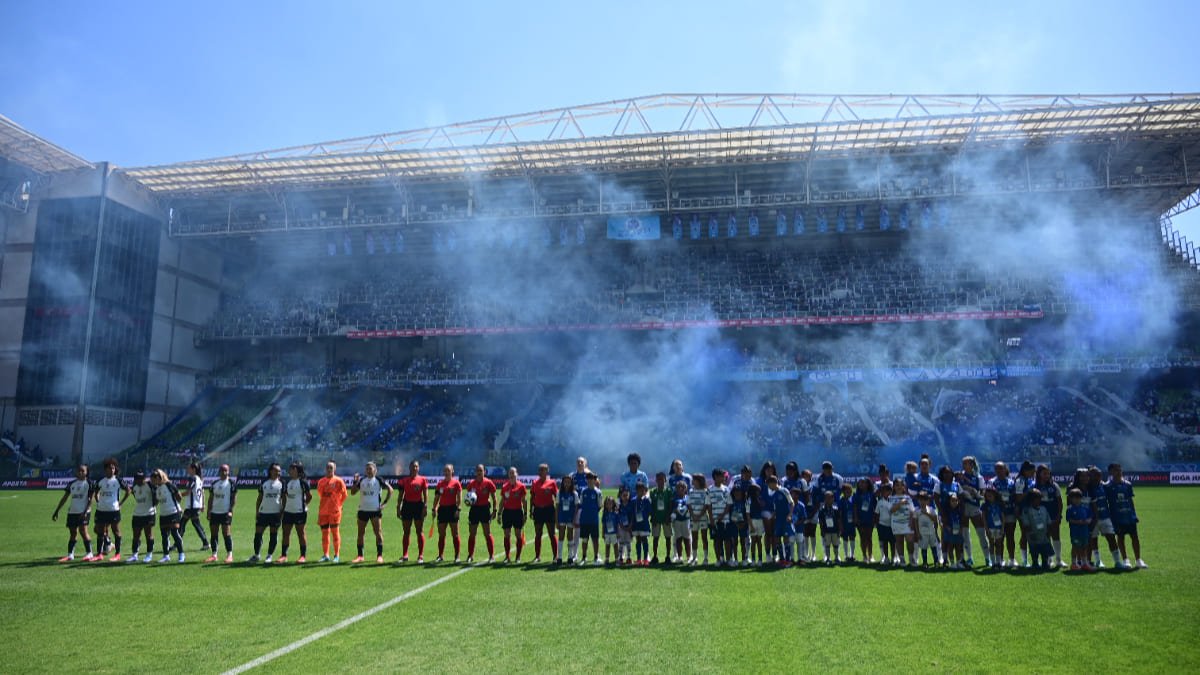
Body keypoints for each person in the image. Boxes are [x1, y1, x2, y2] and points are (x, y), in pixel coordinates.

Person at [1106, 463, 1146, 569]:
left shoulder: (1128, 484)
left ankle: (1138, 560)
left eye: (1119, 470)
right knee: (1120, 538)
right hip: (1117, 517)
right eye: (1115, 470)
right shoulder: (1108, 486)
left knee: (1135, 537)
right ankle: (1125, 560)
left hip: (1129, 516)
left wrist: (1134, 514)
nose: (1118, 472)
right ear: (1111, 472)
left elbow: (1130, 500)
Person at [351, 462, 392, 563]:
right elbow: (352, 492)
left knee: (378, 532)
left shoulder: (379, 480)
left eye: (371, 469)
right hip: (363, 510)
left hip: (375, 511)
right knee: (360, 533)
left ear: (375, 470)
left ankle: (379, 556)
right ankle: (360, 556)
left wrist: (384, 503)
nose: (369, 471)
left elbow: (390, 490)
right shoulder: (361, 480)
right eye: (367, 469)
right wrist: (355, 482)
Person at [52, 465, 95, 562]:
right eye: (79, 470)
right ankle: (70, 555)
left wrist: (85, 511)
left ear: (87, 472)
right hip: (72, 512)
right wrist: (57, 510)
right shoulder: (72, 483)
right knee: (72, 533)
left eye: (83, 471)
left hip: (84, 511)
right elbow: (65, 498)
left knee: (83, 531)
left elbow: (91, 499)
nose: (80, 472)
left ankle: (89, 553)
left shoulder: (89, 483)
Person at [93, 458, 129, 562]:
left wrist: (120, 503)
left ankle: (117, 554)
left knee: (116, 531)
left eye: (113, 468)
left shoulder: (118, 480)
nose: (112, 470)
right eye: (110, 468)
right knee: (100, 531)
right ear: (105, 470)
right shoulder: (100, 481)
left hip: (113, 510)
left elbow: (128, 491)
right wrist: (98, 501)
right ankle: (99, 554)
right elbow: (96, 492)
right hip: (101, 510)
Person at [1087, 466, 1122, 569]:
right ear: (1090, 476)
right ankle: (1098, 561)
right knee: (1093, 540)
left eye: (1099, 474)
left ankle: (1117, 562)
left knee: (1111, 538)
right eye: (1095, 474)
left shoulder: (1105, 486)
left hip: (1105, 517)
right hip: (1092, 519)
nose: (1098, 476)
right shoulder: (1088, 488)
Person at [249, 463, 284, 563]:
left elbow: (284, 499)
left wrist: (281, 513)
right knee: (258, 534)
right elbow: (259, 499)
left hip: (275, 513)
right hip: (263, 512)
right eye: (276, 470)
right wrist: (257, 511)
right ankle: (256, 555)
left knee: (273, 534)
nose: (278, 472)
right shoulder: (264, 483)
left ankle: (269, 555)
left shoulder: (282, 484)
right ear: (271, 471)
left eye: (279, 471)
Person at [395, 460, 428, 563]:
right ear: (409, 468)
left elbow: (425, 495)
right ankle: (405, 555)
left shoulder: (423, 479)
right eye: (413, 466)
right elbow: (400, 495)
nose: (415, 468)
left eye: (416, 466)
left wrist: (425, 506)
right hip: (407, 506)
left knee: (419, 531)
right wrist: (398, 507)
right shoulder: (404, 480)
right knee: (406, 531)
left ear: (418, 468)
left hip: (418, 506)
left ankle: (420, 556)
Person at [279, 462, 312, 563]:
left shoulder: (303, 482)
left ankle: (303, 556)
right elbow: (285, 497)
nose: (290, 471)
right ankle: (284, 555)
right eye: (290, 469)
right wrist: (283, 509)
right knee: (285, 533)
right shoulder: (287, 482)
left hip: (299, 512)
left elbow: (309, 496)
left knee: (301, 534)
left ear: (297, 470)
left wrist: (304, 505)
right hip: (288, 512)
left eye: (292, 469)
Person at [958, 456, 988, 567]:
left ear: (972, 465)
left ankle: (987, 558)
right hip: (963, 507)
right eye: (963, 463)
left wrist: (976, 494)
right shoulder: (959, 476)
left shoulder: (978, 477)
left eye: (967, 463)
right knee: (965, 534)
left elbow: (982, 492)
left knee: (981, 533)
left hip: (975, 507)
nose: (965, 465)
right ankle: (970, 558)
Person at [465, 464, 498, 563]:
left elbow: (494, 498)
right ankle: (470, 556)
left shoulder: (489, 483)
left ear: (484, 472)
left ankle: (491, 556)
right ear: (475, 472)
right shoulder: (471, 484)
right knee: (472, 534)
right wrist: (468, 502)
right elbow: (468, 497)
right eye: (477, 471)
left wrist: (495, 510)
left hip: (484, 509)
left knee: (487, 533)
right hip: (474, 510)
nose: (479, 472)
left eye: (481, 470)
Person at [204, 464, 237, 563]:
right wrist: (209, 510)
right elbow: (211, 498)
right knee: (214, 534)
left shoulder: (231, 483)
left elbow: (234, 499)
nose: (223, 472)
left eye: (225, 470)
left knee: (226, 533)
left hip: (225, 512)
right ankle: (214, 555)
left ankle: (230, 555)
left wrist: (230, 510)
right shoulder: (214, 483)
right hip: (214, 512)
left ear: (228, 471)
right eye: (222, 470)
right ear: (219, 471)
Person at [151, 469, 186, 563]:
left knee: (174, 533)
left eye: (154, 479)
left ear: (159, 477)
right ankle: (166, 556)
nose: (153, 482)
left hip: (174, 512)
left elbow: (179, 496)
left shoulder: (169, 485)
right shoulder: (157, 489)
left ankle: (181, 554)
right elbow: (156, 502)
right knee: (164, 535)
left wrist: (177, 507)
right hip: (163, 514)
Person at [1034, 464, 1065, 568]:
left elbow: (1059, 502)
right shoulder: (1034, 486)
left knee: (1056, 536)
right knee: (1045, 538)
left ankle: (1059, 559)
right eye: (1044, 473)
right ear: (1039, 474)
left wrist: (1059, 515)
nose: (1047, 475)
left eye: (1048, 473)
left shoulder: (1054, 485)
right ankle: (1048, 558)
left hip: (1053, 515)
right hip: (1040, 517)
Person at [317, 461, 347, 563]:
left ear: (334, 469)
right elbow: (320, 494)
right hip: (323, 511)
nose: (329, 469)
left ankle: (336, 555)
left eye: (331, 467)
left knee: (335, 532)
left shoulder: (339, 481)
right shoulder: (321, 481)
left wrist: (339, 505)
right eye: (327, 467)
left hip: (334, 511)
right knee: (324, 533)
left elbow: (344, 495)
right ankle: (326, 555)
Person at [529, 463, 558, 564]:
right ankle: (537, 556)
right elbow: (532, 497)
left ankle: (555, 556)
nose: (541, 471)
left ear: (547, 471)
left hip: (549, 510)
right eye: (540, 470)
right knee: (538, 534)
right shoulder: (534, 483)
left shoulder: (552, 483)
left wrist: (557, 511)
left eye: (543, 470)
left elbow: (557, 497)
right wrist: (530, 510)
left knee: (551, 533)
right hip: (538, 510)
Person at [433, 464, 462, 563]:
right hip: (442, 510)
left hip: (452, 510)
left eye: (448, 470)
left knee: (455, 534)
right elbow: (437, 498)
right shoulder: (440, 484)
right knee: (441, 534)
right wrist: (434, 508)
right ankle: (440, 556)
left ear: (452, 471)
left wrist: (458, 508)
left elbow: (459, 498)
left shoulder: (456, 483)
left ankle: (457, 556)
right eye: (445, 471)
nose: (446, 472)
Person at [990, 461, 1017, 567]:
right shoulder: (992, 482)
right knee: (999, 538)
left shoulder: (1011, 482)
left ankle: (1012, 559)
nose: (999, 470)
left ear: (1006, 469)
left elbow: (1015, 497)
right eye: (997, 468)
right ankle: (1000, 559)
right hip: (997, 514)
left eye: (1001, 468)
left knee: (1010, 536)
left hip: (1010, 513)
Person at [178, 462, 210, 552]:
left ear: (194, 469)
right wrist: (203, 504)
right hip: (195, 506)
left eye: (189, 468)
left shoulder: (192, 479)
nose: (187, 470)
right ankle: (205, 543)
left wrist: (177, 495)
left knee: (185, 523)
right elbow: (202, 493)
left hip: (192, 506)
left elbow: (188, 492)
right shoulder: (199, 479)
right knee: (192, 523)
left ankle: (177, 543)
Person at [1019, 489, 1053, 572]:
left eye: (1040, 498)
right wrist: (1030, 533)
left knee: (1045, 549)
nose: (1039, 500)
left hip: (1044, 534)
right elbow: (1026, 523)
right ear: (1031, 500)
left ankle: (1045, 563)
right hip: (1033, 535)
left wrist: (1048, 531)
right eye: (1037, 498)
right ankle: (1035, 563)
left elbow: (1048, 521)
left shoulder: (1044, 508)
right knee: (1034, 550)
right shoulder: (1027, 511)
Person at [498, 467, 527, 563]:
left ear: (517, 474)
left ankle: (518, 557)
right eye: (510, 473)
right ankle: (507, 557)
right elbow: (502, 501)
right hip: (507, 512)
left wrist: (525, 513)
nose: (511, 475)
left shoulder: (521, 486)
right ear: (508, 475)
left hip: (517, 512)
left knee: (518, 534)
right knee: (507, 534)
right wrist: (499, 513)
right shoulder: (504, 486)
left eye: (513, 473)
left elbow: (524, 501)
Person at [127, 470, 156, 563]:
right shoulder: (134, 487)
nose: (139, 480)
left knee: (149, 535)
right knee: (136, 535)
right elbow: (135, 497)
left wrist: (153, 506)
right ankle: (134, 554)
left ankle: (149, 554)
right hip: (137, 514)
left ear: (144, 478)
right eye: (137, 479)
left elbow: (156, 497)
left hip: (149, 514)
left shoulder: (149, 485)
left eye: (141, 478)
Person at [706, 468, 733, 567]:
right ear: (716, 477)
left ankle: (729, 559)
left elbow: (728, 504)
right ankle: (719, 559)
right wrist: (711, 518)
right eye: (721, 476)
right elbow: (708, 505)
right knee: (717, 540)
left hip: (725, 520)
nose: (723, 478)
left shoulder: (726, 489)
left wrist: (722, 515)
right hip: (714, 520)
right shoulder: (710, 490)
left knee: (727, 540)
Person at [1013, 460, 1037, 567]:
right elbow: (1018, 498)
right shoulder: (1020, 481)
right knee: (1025, 534)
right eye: (1032, 471)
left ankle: (1034, 560)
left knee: (1032, 534)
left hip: (1032, 510)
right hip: (1024, 511)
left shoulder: (1029, 479)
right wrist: (1030, 491)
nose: (1033, 473)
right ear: (1025, 471)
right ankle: (1024, 560)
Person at [889, 478, 915, 567]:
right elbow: (891, 510)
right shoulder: (891, 498)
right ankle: (902, 559)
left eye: (901, 485)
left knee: (910, 541)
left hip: (907, 524)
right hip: (896, 523)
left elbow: (912, 511)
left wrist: (911, 522)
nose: (899, 487)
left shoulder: (908, 498)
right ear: (894, 487)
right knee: (899, 541)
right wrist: (900, 503)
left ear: (904, 487)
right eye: (897, 485)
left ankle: (911, 558)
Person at [578, 472, 603, 565]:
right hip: (584, 519)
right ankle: (584, 558)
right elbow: (581, 503)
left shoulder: (598, 492)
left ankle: (596, 557)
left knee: (595, 539)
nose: (590, 480)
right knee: (584, 539)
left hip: (594, 520)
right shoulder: (583, 491)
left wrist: (593, 512)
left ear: (594, 480)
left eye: (592, 478)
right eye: (588, 478)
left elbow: (600, 505)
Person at [1065, 488, 1093, 571]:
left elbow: (1090, 517)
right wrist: (1078, 522)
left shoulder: (1085, 508)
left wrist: (1088, 521)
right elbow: (1069, 519)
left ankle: (1084, 563)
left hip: (1084, 531)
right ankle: (1074, 563)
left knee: (1084, 547)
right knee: (1075, 547)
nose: (1076, 500)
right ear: (1070, 499)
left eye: (1078, 498)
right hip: (1075, 532)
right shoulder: (1070, 509)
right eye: (1074, 498)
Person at [649, 472, 673, 564]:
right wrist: (653, 517)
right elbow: (651, 506)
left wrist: (668, 516)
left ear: (665, 480)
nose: (660, 481)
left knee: (668, 537)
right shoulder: (653, 492)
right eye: (658, 479)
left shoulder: (668, 491)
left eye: (662, 479)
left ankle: (668, 556)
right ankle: (655, 556)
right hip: (656, 518)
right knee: (655, 537)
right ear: (656, 480)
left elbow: (670, 505)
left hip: (666, 518)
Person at [686, 473, 709, 565]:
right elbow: (689, 504)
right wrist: (693, 515)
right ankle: (694, 558)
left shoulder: (706, 491)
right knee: (694, 538)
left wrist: (699, 515)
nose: (692, 481)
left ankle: (706, 558)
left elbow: (706, 505)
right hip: (693, 518)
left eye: (694, 480)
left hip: (703, 518)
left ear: (699, 481)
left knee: (704, 537)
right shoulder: (691, 491)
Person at [852, 478, 876, 563]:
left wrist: (874, 518)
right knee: (862, 537)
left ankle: (870, 555)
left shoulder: (871, 494)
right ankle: (864, 556)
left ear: (868, 484)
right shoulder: (856, 494)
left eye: (863, 483)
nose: (861, 484)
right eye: (860, 483)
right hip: (860, 519)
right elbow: (854, 506)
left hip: (869, 518)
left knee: (869, 537)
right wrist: (855, 517)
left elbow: (874, 507)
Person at [556, 474, 578, 565]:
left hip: (570, 518)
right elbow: (557, 507)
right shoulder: (559, 493)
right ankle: (559, 557)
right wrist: (556, 520)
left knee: (570, 536)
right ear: (563, 482)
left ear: (571, 483)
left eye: (569, 482)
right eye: (565, 481)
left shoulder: (574, 493)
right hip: (562, 517)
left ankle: (570, 557)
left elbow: (576, 507)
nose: (567, 483)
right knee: (561, 536)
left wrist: (574, 518)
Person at [914, 492, 940, 567]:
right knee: (924, 548)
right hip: (922, 533)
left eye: (924, 500)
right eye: (920, 500)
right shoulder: (917, 511)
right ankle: (925, 563)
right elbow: (915, 523)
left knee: (933, 547)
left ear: (927, 501)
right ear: (918, 501)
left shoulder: (931, 510)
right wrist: (917, 533)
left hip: (931, 532)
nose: (922, 502)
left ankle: (936, 561)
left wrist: (926, 513)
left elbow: (935, 520)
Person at [982, 487, 1006, 570]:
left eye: (990, 495)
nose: (989, 497)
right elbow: (984, 518)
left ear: (995, 495)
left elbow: (1003, 517)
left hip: (999, 528)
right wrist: (986, 529)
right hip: (990, 528)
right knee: (991, 544)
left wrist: (1003, 528)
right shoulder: (985, 506)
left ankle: (999, 562)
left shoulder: (1000, 504)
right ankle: (993, 563)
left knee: (999, 544)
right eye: (987, 496)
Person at [630, 481, 652, 566]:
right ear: (636, 490)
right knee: (638, 540)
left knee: (644, 540)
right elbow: (631, 513)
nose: (640, 492)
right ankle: (639, 559)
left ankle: (646, 559)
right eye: (639, 490)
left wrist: (644, 516)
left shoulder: (647, 500)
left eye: (642, 490)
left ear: (644, 491)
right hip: (636, 524)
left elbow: (650, 511)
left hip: (644, 524)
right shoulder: (633, 501)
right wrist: (631, 524)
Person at [670, 479, 692, 565]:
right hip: (677, 521)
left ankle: (689, 556)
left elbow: (690, 508)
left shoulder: (688, 498)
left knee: (687, 539)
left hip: (686, 521)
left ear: (685, 489)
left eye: (682, 488)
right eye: (678, 488)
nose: (680, 489)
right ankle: (679, 556)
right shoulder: (674, 499)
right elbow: (671, 509)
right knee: (678, 539)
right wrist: (673, 513)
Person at [943, 493, 965, 569]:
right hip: (950, 532)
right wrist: (949, 529)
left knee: (958, 547)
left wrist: (961, 529)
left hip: (958, 531)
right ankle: (952, 563)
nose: (954, 502)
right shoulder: (946, 510)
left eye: (956, 500)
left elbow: (962, 521)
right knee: (950, 547)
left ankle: (958, 563)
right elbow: (944, 522)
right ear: (949, 501)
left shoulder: (960, 510)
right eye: (952, 500)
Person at [874, 481, 894, 566]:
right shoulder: (879, 502)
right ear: (881, 493)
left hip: (892, 525)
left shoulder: (893, 501)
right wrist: (877, 524)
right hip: (882, 525)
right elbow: (877, 514)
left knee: (893, 542)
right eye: (883, 491)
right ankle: (886, 557)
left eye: (887, 491)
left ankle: (894, 558)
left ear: (890, 492)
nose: (886, 493)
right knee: (884, 542)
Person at [729, 485, 750, 566]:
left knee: (743, 542)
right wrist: (736, 523)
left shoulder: (745, 502)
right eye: (735, 491)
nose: (737, 493)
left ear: (742, 493)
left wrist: (744, 523)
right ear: (733, 493)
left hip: (743, 524)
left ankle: (744, 559)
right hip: (733, 524)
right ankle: (735, 559)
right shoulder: (731, 503)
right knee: (734, 542)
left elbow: (747, 514)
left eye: (739, 491)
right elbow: (729, 513)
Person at [787, 486, 807, 566]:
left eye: (795, 494)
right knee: (791, 543)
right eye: (792, 494)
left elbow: (804, 517)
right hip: (790, 529)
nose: (793, 496)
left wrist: (797, 523)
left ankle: (800, 559)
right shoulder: (788, 505)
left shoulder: (801, 505)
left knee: (799, 543)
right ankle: (791, 559)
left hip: (799, 528)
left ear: (798, 495)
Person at [837, 483, 856, 562]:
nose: (850, 493)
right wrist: (840, 524)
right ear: (843, 492)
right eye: (848, 491)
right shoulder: (841, 501)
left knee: (852, 537)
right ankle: (846, 555)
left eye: (850, 491)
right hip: (844, 523)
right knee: (845, 538)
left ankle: (852, 555)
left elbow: (855, 510)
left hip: (851, 523)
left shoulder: (852, 499)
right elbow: (840, 513)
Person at [747, 483, 765, 566]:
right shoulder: (749, 500)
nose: (759, 492)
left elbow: (763, 506)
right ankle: (753, 559)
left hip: (760, 521)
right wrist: (751, 525)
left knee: (759, 541)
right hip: (753, 521)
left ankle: (760, 559)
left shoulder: (760, 499)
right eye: (758, 491)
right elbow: (748, 514)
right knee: (753, 541)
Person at [616, 487, 633, 565]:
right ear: (620, 496)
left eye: (627, 495)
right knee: (621, 542)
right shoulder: (619, 506)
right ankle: (621, 557)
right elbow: (618, 517)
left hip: (629, 527)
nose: (625, 497)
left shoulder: (630, 505)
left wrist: (630, 526)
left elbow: (632, 517)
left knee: (628, 542)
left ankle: (629, 557)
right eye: (624, 495)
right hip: (621, 527)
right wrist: (621, 526)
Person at [601, 496, 619, 565]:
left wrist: (617, 532)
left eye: (610, 503)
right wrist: (603, 533)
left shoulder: (616, 513)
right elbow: (603, 524)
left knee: (615, 546)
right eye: (607, 504)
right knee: (607, 546)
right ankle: (607, 559)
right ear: (605, 505)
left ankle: (617, 559)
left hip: (614, 533)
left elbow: (617, 524)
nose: (609, 505)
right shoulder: (604, 513)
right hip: (607, 533)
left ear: (613, 504)